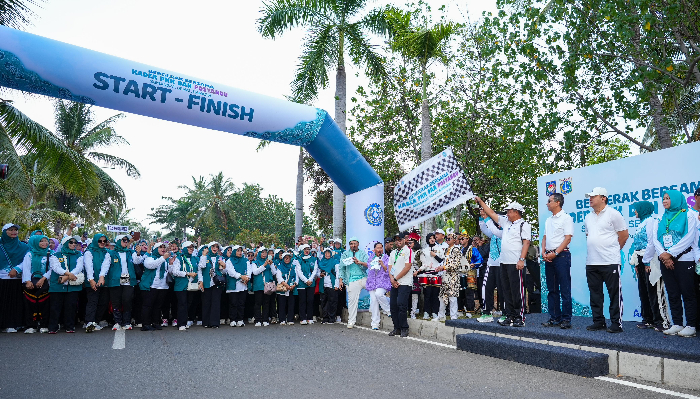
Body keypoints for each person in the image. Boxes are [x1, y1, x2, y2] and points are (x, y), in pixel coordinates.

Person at [475, 197, 532, 327]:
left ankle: (519, 317)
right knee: (507, 291)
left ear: (516, 212)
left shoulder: (524, 224)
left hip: (516, 263)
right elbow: (492, 214)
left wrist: (521, 259)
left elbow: (526, 242)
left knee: (517, 291)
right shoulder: (506, 223)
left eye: (509, 211)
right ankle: (510, 315)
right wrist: (481, 202)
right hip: (504, 263)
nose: (507, 214)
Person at [652, 190, 698, 337]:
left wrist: (669, 253)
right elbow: (655, 239)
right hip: (666, 261)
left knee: (688, 293)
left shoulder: (688, 214)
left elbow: (689, 237)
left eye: (668, 198)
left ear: (676, 199)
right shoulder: (661, 217)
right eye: (663, 198)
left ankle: (691, 325)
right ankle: (677, 323)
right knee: (672, 293)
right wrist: (664, 256)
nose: (664, 201)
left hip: (685, 259)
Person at [583, 187, 629, 333]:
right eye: (589, 197)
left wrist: (615, 250)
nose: (590, 199)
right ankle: (599, 321)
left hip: (610, 261)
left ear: (603, 198)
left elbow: (624, 235)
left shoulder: (613, 214)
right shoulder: (588, 217)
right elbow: (588, 236)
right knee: (595, 294)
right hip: (591, 262)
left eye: (593, 196)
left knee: (614, 293)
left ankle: (616, 323)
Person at [629, 201, 668, 332]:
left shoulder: (651, 221)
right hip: (641, 259)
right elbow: (637, 245)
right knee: (643, 290)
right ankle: (648, 319)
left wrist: (647, 261)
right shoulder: (641, 223)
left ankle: (661, 321)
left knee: (654, 290)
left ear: (643, 209)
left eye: (636, 209)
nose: (634, 212)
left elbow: (652, 242)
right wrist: (637, 262)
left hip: (650, 259)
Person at [541, 192, 574, 329]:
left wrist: (555, 252)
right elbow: (544, 237)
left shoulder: (566, 218)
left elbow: (567, 238)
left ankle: (566, 319)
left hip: (561, 256)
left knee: (564, 289)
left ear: (557, 202)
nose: (547, 204)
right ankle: (554, 317)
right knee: (552, 289)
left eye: (549, 201)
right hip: (548, 256)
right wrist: (543, 252)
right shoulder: (548, 220)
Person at [47, 236, 84, 333]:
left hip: (72, 285)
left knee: (71, 306)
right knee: (55, 307)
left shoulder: (79, 255)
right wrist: (68, 274)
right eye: (71, 242)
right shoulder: (55, 255)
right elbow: (56, 267)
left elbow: (79, 267)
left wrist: (67, 277)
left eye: (75, 243)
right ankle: (53, 327)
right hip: (58, 285)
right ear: (65, 243)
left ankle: (69, 326)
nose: (73, 244)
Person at [105, 234, 139, 331]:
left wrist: (138, 253)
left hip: (128, 280)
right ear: (118, 241)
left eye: (127, 241)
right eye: (123, 240)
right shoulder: (111, 253)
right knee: (116, 302)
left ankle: (127, 322)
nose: (126, 242)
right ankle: (117, 322)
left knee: (127, 301)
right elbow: (106, 266)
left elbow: (137, 261)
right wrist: (102, 276)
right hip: (115, 280)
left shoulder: (131, 252)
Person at [21, 234, 54, 333]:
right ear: (36, 242)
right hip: (31, 282)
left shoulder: (51, 253)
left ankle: (44, 325)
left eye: (46, 241)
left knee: (45, 305)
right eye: (41, 241)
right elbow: (26, 268)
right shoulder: (30, 254)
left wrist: (43, 278)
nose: (45, 243)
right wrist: (27, 281)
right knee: (30, 305)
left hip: (45, 283)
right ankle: (31, 326)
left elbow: (52, 268)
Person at [0, 223, 29, 333]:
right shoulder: (0, 245)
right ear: (4, 232)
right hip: (1, 279)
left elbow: (26, 260)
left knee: (14, 302)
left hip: (16, 279)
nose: (14, 232)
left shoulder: (23, 246)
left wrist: (17, 269)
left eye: (15, 230)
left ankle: (13, 324)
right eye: (11, 230)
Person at [478, 211, 504, 323]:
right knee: (486, 288)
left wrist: (486, 216)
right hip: (491, 264)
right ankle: (487, 313)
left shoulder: (505, 231)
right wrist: (481, 215)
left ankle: (506, 313)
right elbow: (484, 228)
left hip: (503, 264)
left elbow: (494, 229)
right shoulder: (493, 233)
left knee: (503, 290)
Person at [83, 234, 111, 332]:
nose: (102, 243)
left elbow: (105, 266)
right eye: (100, 241)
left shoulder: (106, 253)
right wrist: (91, 280)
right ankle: (89, 322)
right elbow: (88, 266)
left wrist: (102, 277)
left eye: (104, 241)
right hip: (92, 281)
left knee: (103, 302)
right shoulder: (89, 252)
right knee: (92, 301)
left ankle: (96, 321)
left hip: (103, 281)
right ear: (95, 241)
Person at [338, 237, 368, 328]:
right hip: (351, 279)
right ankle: (351, 321)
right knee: (352, 302)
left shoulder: (362, 253)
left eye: (354, 243)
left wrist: (359, 262)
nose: (353, 245)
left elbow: (368, 265)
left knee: (376, 292)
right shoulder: (345, 254)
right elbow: (341, 268)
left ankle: (377, 319)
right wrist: (340, 281)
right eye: (351, 244)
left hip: (363, 278)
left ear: (358, 244)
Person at [388, 232, 413, 337]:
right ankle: (396, 328)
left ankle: (404, 328)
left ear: (404, 240)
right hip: (394, 282)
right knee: (393, 305)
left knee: (401, 304)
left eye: (400, 239)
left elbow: (407, 267)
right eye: (396, 240)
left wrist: (395, 278)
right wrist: (392, 279)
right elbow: (390, 267)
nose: (398, 241)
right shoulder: (393, 252)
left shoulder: (408, 251)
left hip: (405, 282)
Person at [170, 241, 198, 331]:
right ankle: (181, 323)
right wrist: (187, 273)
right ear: (185, 248)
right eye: (189, 247)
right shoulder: (179, 258)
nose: (191, 249)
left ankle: (185, 321)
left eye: (192, 247)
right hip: (181, 285)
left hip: (191, 285)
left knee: (188, 304)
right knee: (182, 304)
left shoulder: (194, 258)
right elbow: (175, 272)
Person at [198, 242, 225, 328]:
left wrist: (224, 266)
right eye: (213, 246)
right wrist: (203, 255)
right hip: (207, 282)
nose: (215, 248)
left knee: (216, 302)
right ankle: (206, 322)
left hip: (217, 283)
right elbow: (201, 268)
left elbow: (223, 272)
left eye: (217, 247)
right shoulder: (205, 257)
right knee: (206, 302)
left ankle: (214, 323)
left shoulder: (220, 258)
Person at [436, 232, 462, 321]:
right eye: (446, 238)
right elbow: (444, 262)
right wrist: (440, 267)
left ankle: (453, 317)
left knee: (452, 297)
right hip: (445, 275)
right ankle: (441, 316)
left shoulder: (456, 249)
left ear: (454, 240)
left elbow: (456, 264)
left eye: (449, 238)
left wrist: (443, 267)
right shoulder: (446, 249)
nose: (447, 240)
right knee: (442, 296)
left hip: (453, 276)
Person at [417, 233, 442, 320]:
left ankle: (435, 312)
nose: (432, 239)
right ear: (427, 239)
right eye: (430, 238)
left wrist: (435, 255)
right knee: (427, 294)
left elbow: (442, 260)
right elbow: (423, 263)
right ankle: (426, 312)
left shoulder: (439, 248)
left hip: (436, 273)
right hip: (427, 273)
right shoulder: (424, 250)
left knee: (435, 294)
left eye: (433, 238)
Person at [367, 242, 391, 330]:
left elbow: (388, 270)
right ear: (374, 250)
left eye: (381, 248)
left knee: (378, 294)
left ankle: (388, 310)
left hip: (382, 282)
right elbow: (369, 267)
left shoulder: (386, 258)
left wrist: (382, 264)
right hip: (372, 282)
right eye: (378, 248)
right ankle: (375, 323)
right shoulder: (371, 257)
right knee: (373, 301)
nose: (380, 249)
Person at [224, 245, 250, 327]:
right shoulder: (229, 261)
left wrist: (246, 278)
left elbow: (249, 271)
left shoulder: (245, 260)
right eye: (238, 251)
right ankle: (232, 319)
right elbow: (231, 272)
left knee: (241, 303)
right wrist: (240, 276)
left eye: (240, 251)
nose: (240, 252)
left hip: (243, 285)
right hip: (233, 285)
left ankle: (240, 319)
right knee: (233, 303)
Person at [250, 247, 274, 326]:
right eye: (262, 252)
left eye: (265, 252)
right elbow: (255, 272)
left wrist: (271, 264)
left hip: (267, 285)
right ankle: (257, 320)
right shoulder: (255, 262)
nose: (264, 254)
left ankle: (265, 319)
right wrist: (264, 265)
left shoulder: (269, 262)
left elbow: (274, 273)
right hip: (259, 285)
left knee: (266, 303)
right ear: (259, 253)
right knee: (258, 303)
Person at [296, 244, 318, 325]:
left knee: (310, 300)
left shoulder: (313, 259)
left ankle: (310, 317)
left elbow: (315, 270)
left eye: (308, 249)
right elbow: (299, 272)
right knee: (302, 301)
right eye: (305, 249)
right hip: (302, 283)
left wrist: (310, 280)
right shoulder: (298, 259)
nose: (307, 251)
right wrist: (306, 281)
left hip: (311, 283)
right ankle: (303, 318)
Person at [274, 252, 298, 325]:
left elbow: (297, 276)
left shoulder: (293, 266)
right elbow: (279, 277)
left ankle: (290, 319)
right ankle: (282, 319)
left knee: (291, 303)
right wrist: (286, 285)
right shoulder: (279, 267)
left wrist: (294, 284)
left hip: (291, 288)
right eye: (285, 258)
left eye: (288, 257)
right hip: (282, 288)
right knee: (282, 304)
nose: (287, 259)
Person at [318, 248, 339, 324]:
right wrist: (319, 274)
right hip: (323, 284)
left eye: (328, 253)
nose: (327, 255)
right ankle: (325, 317)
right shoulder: (321, 262)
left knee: (332, 301)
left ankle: (331, 317)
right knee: (323, 301)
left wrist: (336, 284)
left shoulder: (334, 262)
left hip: (331, 283)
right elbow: (317, 272)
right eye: (326, 253)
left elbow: (337, 273)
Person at [407, 232, 423, 319]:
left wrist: (417, 271)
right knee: (407, 294)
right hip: (407, 276)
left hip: (416, 276)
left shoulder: (419, 252)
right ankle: (409, 311)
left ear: (415, 243)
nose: (409, 245)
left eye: (410, 243)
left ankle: (413, 312)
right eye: (408, 243)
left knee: (415, 295)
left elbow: (424, 264)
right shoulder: (406, 251)